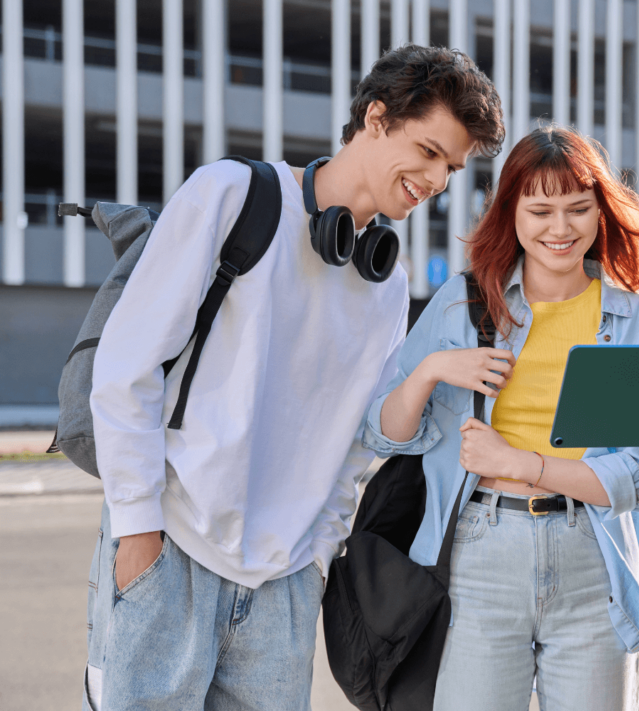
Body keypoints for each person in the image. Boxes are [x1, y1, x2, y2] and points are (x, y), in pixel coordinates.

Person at [84, 45, 504, 711]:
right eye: (428, 152)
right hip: (171, 553)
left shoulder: (386, 285)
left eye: (451, 167)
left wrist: (314, 563)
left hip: (281, 588)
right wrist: (137, 531)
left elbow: (355, 442)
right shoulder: (232, 195)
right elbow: (127, 366)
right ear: (374, 119)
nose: (438, 180)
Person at [362, 125, 639, 710]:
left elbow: (635, 479)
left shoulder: (634, 323)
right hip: (479, 555)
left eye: (578, 209)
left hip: (593, 561)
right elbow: (381, 434)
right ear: (512, 213)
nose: (560, 229)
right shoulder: (463, 304)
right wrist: (431, 370)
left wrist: (521, 463)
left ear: (600, 212)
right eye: (541, 210)